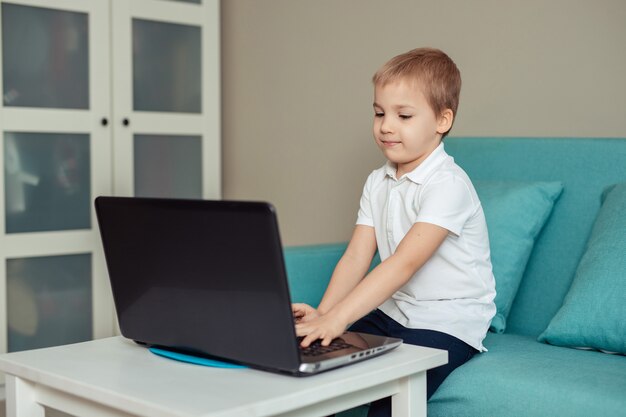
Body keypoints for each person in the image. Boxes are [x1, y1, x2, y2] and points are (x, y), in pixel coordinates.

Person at [292, 47, 496, 415]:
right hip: (396, 312)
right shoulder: (378, 180)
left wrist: (340, 318)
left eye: (403, 115)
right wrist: (325, 313)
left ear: (442, 120)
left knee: (388, 394)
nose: (386, 125)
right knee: (313, 356)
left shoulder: (448, 183)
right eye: (379, 113)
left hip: (447, 322)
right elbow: (357, 255)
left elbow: (404, 263)